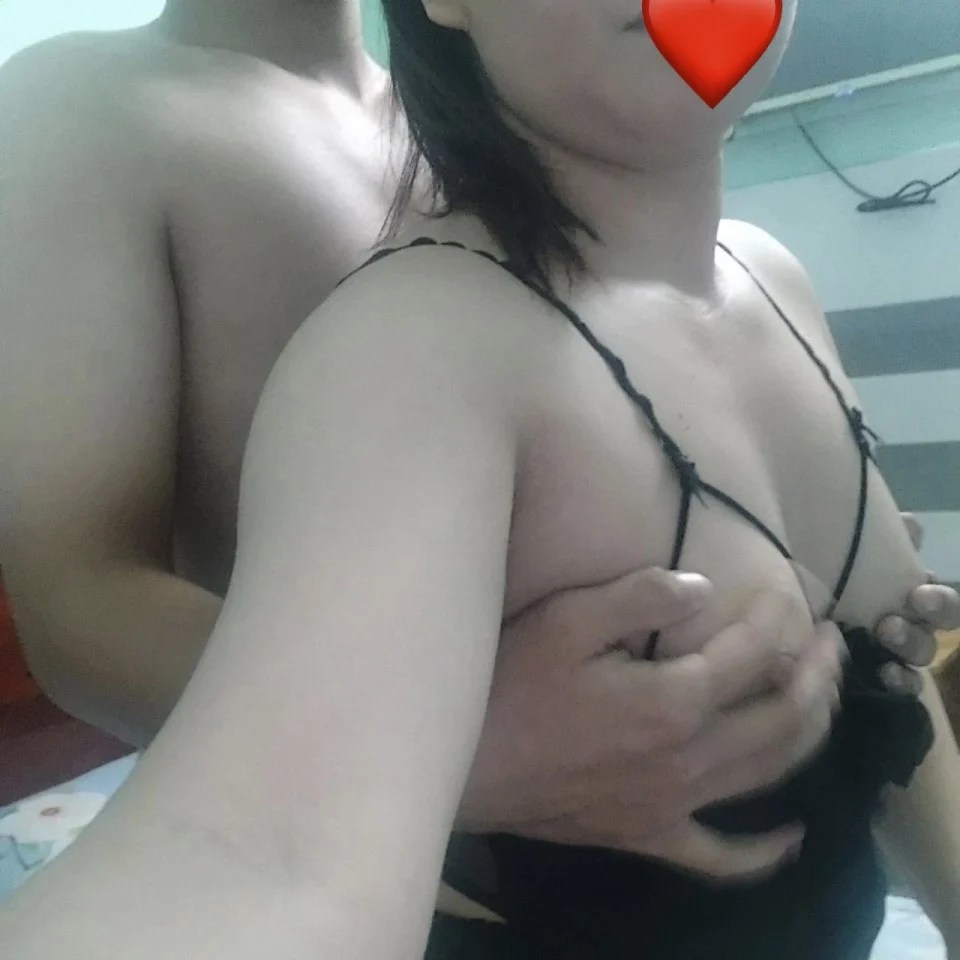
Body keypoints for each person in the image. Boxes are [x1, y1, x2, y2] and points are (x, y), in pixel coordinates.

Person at [0, 0, 957, 954]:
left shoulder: (503, 117)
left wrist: (819, 567)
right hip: (462, 871)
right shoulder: (87, 107)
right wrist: (453, 748)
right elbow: (79, 606)